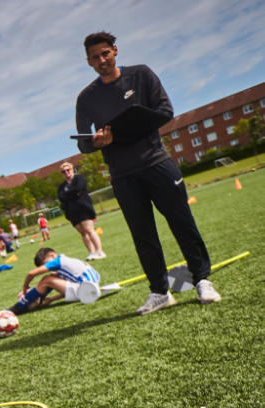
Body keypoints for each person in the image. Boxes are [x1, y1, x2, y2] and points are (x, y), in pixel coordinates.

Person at [76, 31, 221, 314]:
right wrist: (97, 142)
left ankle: (203, 280)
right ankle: (160, 292)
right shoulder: (87, 97)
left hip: (156, 163)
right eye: (95, 57)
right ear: (89, 62)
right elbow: (83, 142)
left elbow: (165, 110)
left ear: (115, 50)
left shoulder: (141, 75)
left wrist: (135, 124)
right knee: (143, 235)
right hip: (122, 175)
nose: (102, 60)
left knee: (182, 222)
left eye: (106, 53)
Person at [10, 247, 100, 313]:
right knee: (53, 276)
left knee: (47, 279)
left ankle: (20, 306)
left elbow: (31, 273)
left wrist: (25, 286)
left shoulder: (57, 261)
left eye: (45, 264)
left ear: (52, 255)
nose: (47, 267)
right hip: (90, 289)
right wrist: (52, 299)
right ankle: (40, 299)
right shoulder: (68, 262)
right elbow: (70, 287)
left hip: (85, 290)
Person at [57, 162, 105, 260]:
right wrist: (73, 193)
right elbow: (61, 197)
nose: (66, 173)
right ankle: (91, 252)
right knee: (83, 233)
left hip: (83, 207)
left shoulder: (79, 178)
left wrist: (68, 194)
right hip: (71, 211)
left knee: (89, 229)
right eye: (63, 171)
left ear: (72, 169)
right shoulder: (62, 186)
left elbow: (79, 187)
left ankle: (100, 251)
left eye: (68, 170)